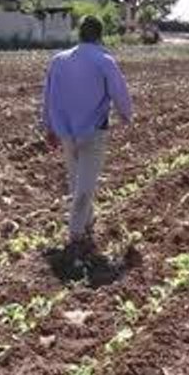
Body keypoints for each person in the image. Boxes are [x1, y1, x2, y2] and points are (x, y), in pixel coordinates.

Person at [41, 16, 133, 245]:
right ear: (100, 35)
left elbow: (48, 96)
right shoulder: (104, 60)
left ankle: (87, 221)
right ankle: (75, 234)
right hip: (93, 130)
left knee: (76, 182)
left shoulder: (58, 60)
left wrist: (48, 126)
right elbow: (119, 92)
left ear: (79, 33)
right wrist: (126, 114)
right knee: (84, 188)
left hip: (66, 130)